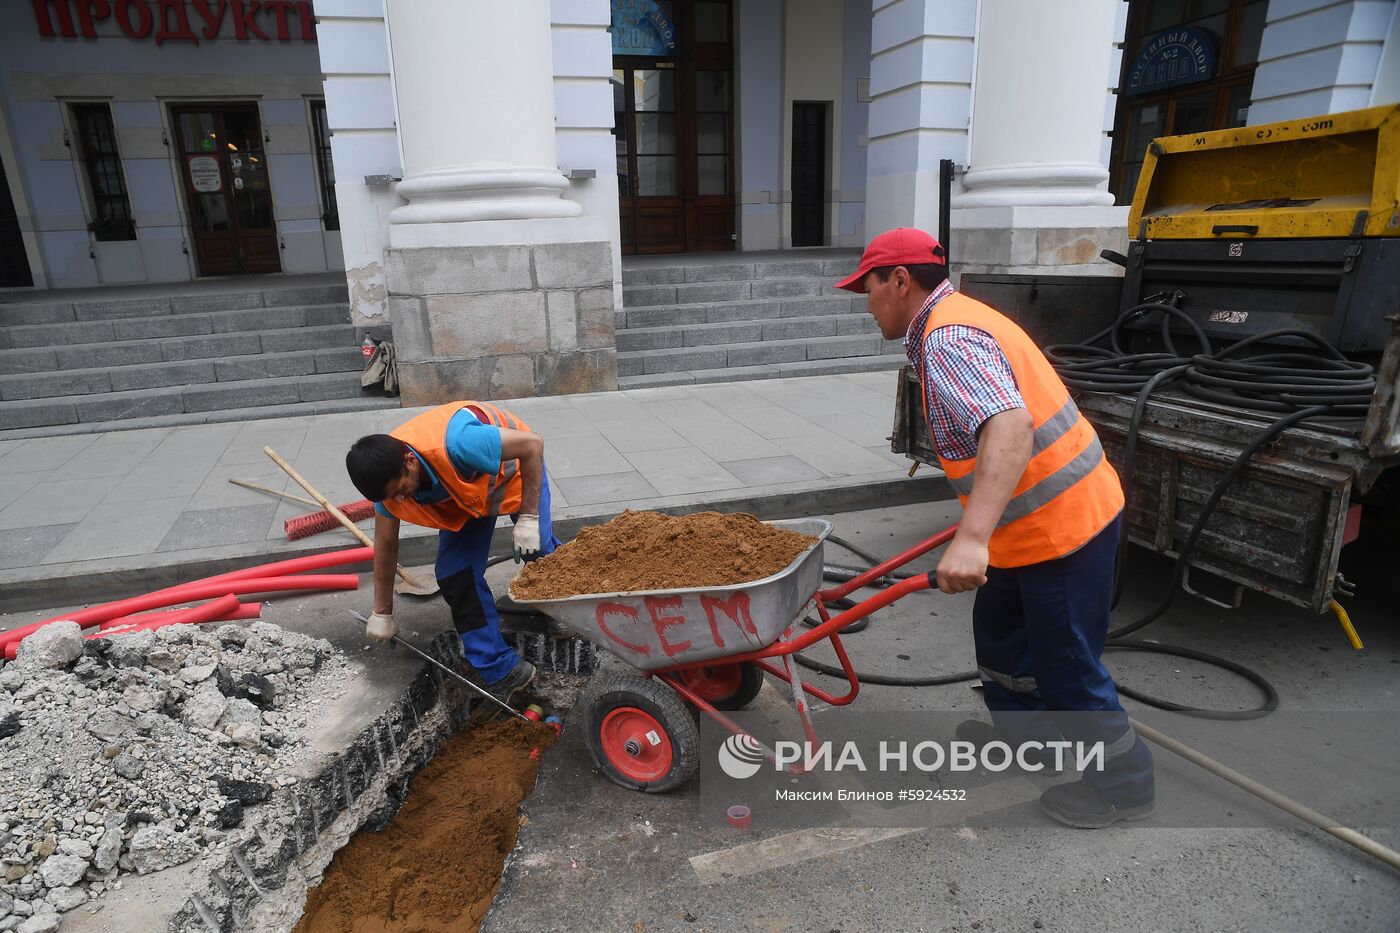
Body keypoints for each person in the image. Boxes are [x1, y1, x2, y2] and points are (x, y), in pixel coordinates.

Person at [836, 228, 1155, 828]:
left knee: (1068, 668)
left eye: (869, 287)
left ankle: (1124, 786)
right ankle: (1029, 742)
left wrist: (972, 537)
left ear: (900, 281)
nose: (867, 300)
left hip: (1060, 530)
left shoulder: (947, 337)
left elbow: (1009, 426)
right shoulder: (958, 316)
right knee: (1004, 638)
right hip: (1030, 528)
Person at [345, 400, 560, 710]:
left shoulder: (458, 443)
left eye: (401, 490)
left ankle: (566, 611)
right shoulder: (388, 488)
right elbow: (386, 547)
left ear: (410, 460)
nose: (401, 500)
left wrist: (527, 518)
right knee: (454, 576)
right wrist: (382, 611)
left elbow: (532, 445)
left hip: (514, 472)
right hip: (466, 497)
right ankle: (502, 669)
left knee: (538, 550)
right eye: (392, 498)